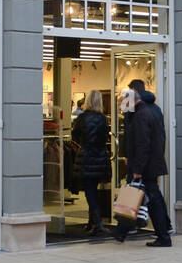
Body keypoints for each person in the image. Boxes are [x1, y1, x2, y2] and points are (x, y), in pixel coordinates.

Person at [115, 78, 172, 247]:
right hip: (150, 164)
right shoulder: (148, 112)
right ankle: (122, 231)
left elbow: (142, 145)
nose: (123, 107)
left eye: (124, 103)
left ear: (131, 100)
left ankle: (162, 236)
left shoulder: (140, 116)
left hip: (145, 166)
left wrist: (137, 169)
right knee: (144, 197)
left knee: (148, 198)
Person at [70, 90, 111, 235]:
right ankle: (91, 222)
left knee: (89, 191)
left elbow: (75, 135)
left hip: (86, 156)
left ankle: (97, 223)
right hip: (100, 156)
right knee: (94, 189)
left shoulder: (82, 118)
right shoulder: (103, 118)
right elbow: (106, 136)